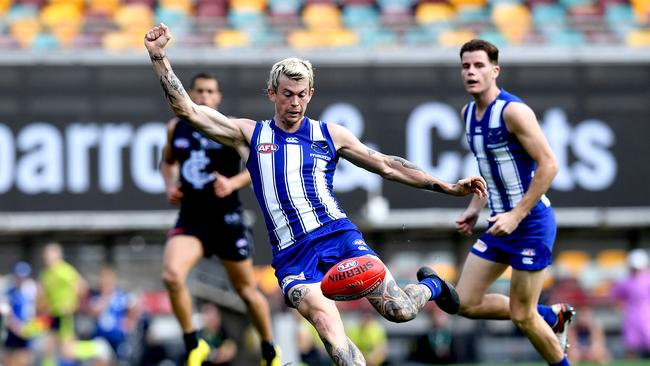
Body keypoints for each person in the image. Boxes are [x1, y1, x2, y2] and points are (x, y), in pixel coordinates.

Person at [145, 23, 487, 366]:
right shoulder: (250, 135)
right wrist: (159, 56)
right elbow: (187, 110)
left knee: (399, 311)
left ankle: (432, 287)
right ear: (272, 94)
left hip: (337, 235)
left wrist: (445, 186)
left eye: (302, 94)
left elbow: (387, 165)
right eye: (287, 94)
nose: (295, 103)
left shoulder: (329, 135)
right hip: (293, 256)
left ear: (311, 93)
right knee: (335, 341)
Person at [453, 39, 575, 366]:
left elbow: (549, 164)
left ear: (495, 70)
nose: (471, 72)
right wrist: (474, 209)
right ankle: (551, 315)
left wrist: (517, 214)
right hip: (499, 223)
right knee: (462, 302)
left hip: (531, 223)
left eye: (479, 65)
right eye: (466, 66)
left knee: (523, 316)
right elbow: (490, 170)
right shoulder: (467, 114)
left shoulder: (514, 112)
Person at [159, 70, 280, 366]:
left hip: (227, 218)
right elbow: (167, 162)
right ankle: (193, 343)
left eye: (210, 92)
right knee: (172, 276)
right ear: (189, 94)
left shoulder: (229, 128)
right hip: (192, 218)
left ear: (219, 97)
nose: (204, 97)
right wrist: (170, 185)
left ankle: (269, 351)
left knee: (246, 291)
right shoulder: (177, 127)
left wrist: (232, 183)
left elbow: (258, 166)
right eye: (198, 91)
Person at [38, 242, 88, 366]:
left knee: (68, 350)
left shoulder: (65, 270)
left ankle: (97, 349)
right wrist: (44, 305)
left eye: (50, 254)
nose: (47, 257)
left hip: (65, 314)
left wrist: (73, 304)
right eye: (46, 255)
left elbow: (82, 286)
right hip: (53, 314)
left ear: (58, 255)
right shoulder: (45, 274)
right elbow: (43, 295)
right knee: (48, 348)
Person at [87, 265, 138, 362]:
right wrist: (106, 298)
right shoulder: (96, 297)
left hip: (119, 338)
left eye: (109, 280)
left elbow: (135, 306)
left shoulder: (121, 296)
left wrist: (130, 321)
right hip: (101, 338)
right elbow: (94, 312)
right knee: (101, 354)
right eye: (104, 280)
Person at [610, 248, 650, 359]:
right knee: (632, 347)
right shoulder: (626, 281)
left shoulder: (648, 279)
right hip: (632, 316)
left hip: (647, 316)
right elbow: (616, 296)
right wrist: (622, 309)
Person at [3, 261, 38, 366]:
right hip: (12, 331)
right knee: (9, 360)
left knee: (24, 359)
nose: (20, 279)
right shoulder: (8, 291)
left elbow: (35, 311)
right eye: (18, 276)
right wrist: (15, 326)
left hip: (26, 330)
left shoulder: (31, 290)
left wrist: (30, 328)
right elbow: (6, 312)